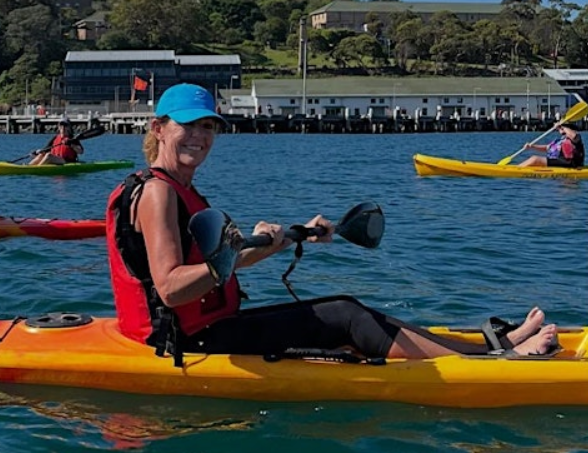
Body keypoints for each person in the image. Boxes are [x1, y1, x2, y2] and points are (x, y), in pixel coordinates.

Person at [105, 83, 557, 365]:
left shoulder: (181, 187)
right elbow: (170, 288)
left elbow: (222, 268)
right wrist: (230, 255)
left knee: (345, 303)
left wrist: (288, 236)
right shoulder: (159, 192)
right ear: (158, 128)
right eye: (189, 126)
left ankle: (487, 348)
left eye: (209, 126)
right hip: (186, 341)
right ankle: (496, 363)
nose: (201, 137)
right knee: (342, 316)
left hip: (207, 324)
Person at [519, 123, 584, 167]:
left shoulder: (576, 137)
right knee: (534, 159)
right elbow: (547, 148)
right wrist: (532, 146)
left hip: (571, 164)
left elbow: (571, 134)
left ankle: (518, 170)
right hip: (561, 161)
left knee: (535, 159)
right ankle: (518, 168)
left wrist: (562, 126)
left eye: (562, 129)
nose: (560, 130)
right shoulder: (561, 140)